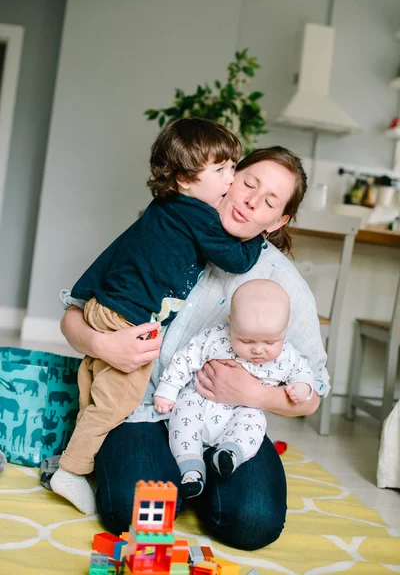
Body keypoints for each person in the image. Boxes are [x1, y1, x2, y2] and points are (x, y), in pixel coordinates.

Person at [60, 146, 330, 551]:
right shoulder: (164, 228)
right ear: (228, 177)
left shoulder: (283, 282)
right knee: (131, 512)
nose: (252, 201)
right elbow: (74, 312)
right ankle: (173, 478)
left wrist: (253, 394)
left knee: (253, 522)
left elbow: (314, 393)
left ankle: (199, 481)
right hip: (144, 406)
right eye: (248, 183)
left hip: (226, 418)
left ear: (279, 220)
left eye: (270, 201)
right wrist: (104, 344)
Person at [51, 118, 265, 515]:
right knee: (118, 401)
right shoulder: (198, 214)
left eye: (233, 167)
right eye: (220, 171)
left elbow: (120, 249)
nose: (231, 179)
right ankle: (71, 470)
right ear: (184, 180)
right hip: (130, 322)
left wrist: (84, 296)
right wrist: (257, 235)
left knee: (95, 386)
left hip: (107, 306)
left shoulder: (163, 209)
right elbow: (235, 260)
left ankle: (75, 449)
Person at [154, 279, 314, 500]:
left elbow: (304, 374)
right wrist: (168, 389)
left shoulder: (288, 355)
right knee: (185, 406)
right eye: (246, 341)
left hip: (242, 411)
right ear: (231, 324)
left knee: (255, 421)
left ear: (286, 326)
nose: (258, 350)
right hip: (201, 400)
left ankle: (230, 453)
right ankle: (191, 468)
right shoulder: (216, 338)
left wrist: (303, 387)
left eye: (270, 342)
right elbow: (185, 358)